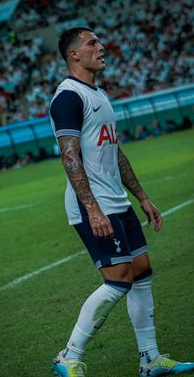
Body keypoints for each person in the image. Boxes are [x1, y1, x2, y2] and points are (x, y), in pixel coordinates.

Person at [49, 27, 194, 377]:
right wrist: (93, 209)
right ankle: (68, 356)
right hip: (94, 206)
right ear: (74, 55)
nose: (101, 47)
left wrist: (142, 197)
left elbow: (116, 153)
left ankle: (150, 359)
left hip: (118, 203)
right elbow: (70, 157)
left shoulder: (97, 93)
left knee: (142, 274)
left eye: (100, 41)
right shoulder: (68, 96)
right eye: (92, 43)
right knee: (118, 281)